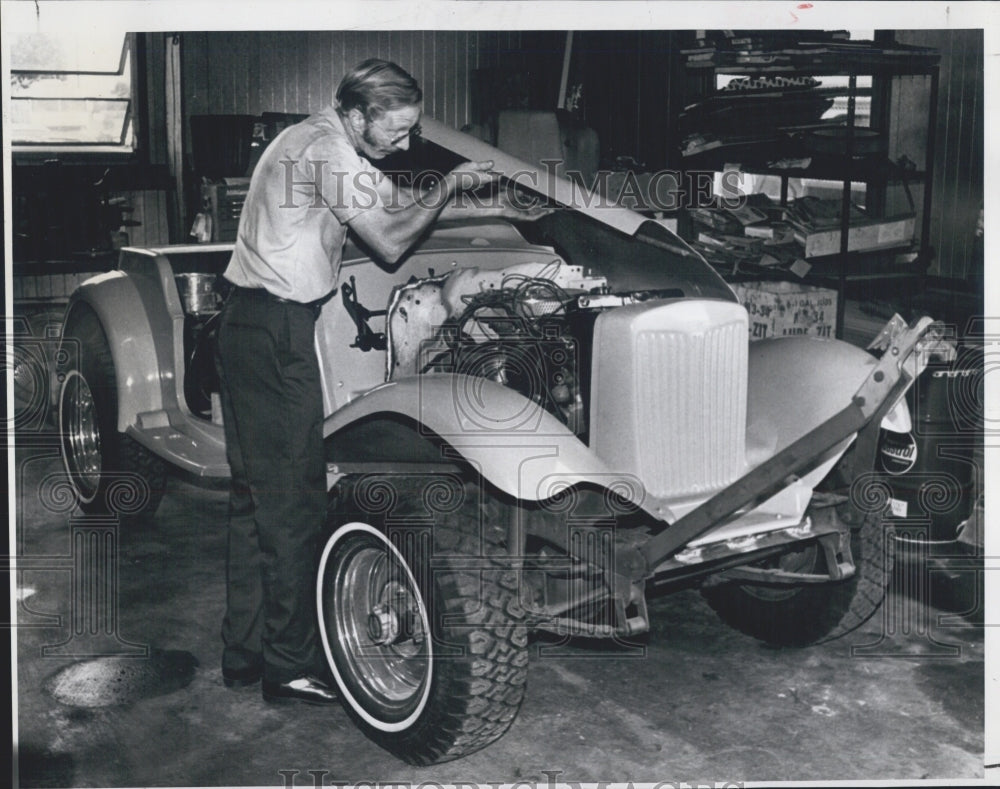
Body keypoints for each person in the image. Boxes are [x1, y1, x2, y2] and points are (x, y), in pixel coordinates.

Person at [215, 58, 549, 704]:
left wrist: (494, 199)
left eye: (410, 133)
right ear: (359, 114)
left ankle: (244, 652)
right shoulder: (327, 152)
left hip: (245, 324)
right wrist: (452, 186)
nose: (404, 144)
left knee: (253, 498)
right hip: (275, 332)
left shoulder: (320, 140)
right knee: (296, 501)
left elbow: (393, 205)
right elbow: (393, 241)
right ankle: (288, 666)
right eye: (396, 132)